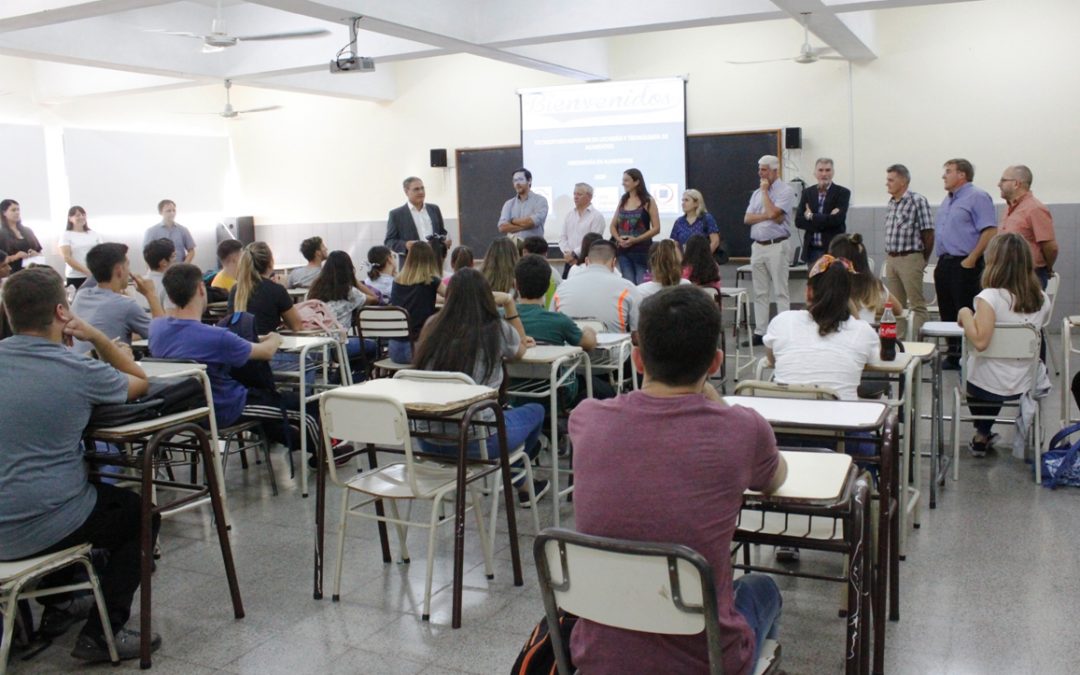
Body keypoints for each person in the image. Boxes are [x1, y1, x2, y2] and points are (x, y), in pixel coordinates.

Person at [569, 286, 786, 675]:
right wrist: (714, 397)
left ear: (637, 358)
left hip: (598, 658)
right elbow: (775, 478)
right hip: (706, 663)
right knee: (761, 589)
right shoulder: (744, 429)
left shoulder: (586, 418)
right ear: (716, 362)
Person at [0, 266, 160, 663]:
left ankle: (59, 603)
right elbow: (138, 379)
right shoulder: (76, 370)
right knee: (137, 514)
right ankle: (103, 633)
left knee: (75, 495)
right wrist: (96, 337)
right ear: (61, 311)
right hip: (40, 525)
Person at [150, 264, 327, 466]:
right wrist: (274, 337)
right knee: (306, 405)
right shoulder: (216, 337)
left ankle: (303, 445)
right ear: (201, 289)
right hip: (226, 407)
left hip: (185, 410)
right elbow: (266, 352)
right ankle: (325, 455)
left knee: (268, 413)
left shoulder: (156, 329)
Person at [413, 268, 547, 502]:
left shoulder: (431, 326)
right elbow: (520, 350)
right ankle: (519, 475)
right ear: (487, 296)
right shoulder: (496, 328)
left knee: (500, 418)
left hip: (427, 441)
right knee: (536, 411)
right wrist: (508, 303)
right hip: (478, 442)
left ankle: (521, 479)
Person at [957, 233, 1051, 457]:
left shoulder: (989, 297)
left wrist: (965, 314)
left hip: (986, 382)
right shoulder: (1041, 298)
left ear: (994, 262)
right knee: (992, 365)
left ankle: (982, 432)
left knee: (969, 362)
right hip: (1026, 381)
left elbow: (980, 341)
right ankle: (985, 432)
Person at [764, 254, 878, 401]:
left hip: (784, 421)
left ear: (809, 292)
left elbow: (772, 360)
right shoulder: (863, 332)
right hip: (841, 422)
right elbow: (872, 362)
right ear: (848, 296)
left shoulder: (782, 321)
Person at [515, 253, 612, 401]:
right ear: (548, 286)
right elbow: (589, 344)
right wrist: (588, 330)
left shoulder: (500, 317)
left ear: (515, 285)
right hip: (555, 392)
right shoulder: (558, 320)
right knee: (605, 390)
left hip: (510, 391)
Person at [934, 158, 997, 368]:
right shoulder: (948, 200)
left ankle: (968, 355)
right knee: (947, 310)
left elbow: (989, 230)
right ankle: (953, 355)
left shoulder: (977, 196)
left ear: (962, 175)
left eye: (948, 171)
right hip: (945, 263)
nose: (944, 175)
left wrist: (972, 258)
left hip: (965, 263)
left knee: (965, 309)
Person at [70, 243, 164, 355]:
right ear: (119, 270)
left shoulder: (81, 295)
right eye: (128, 265)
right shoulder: (126, 305)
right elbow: (163, 338)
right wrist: (151, 294)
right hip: (105, 370)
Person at [744, 155, 797, 346]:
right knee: (759, 292)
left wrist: (766, 193)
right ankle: (760, 331)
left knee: (780, 291)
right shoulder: (756, 193)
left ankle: (783, 332)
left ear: (775, 171)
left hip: (777, 245)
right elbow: (747, 219)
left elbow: (776, 215)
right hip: (758, 246)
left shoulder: (785, 191)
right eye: (759, 169)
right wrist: (766, 215)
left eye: (764, 169)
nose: (760, 173)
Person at [882, 163, 935, 340]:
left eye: (891, 180)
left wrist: (922, 259)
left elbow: (928, 232)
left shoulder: (917, 200)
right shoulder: (891, 203)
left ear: (903, 181)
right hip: (892, 259)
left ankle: (919, 344)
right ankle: (900, 344)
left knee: (916, 304)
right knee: (896, 305)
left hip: (910, 257)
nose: (887, 183)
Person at [553, 240, 641, 333]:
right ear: (614, 262)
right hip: (613, 346)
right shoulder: (627, 288)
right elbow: (637, 331)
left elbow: (552, 324)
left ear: (586, 261)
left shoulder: (562, 288)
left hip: (570, 346)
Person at [997, 165, 1057, 289]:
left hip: (1028, 276)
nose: (998, 184)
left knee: (1025, 309)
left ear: (1016, 184)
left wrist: (1047, 268)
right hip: (1006, 274)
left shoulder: (1035, 208)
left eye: (1003, 180)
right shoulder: (1009, 208)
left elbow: (1050, 247)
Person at [307, 251, 372, 365]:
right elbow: (375, 298)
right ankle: (349, 378)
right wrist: (355, 281)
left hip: (314, 346)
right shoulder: (349, 292)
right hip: (337, 346)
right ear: (349, 269)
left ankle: (341, 377)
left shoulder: (314, 289)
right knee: (372, 346)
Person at [388, 241, 443, 364]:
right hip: (417, 350)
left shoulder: (397, 281)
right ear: (430, 259)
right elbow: (453, 293)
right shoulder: (431, 280)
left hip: (394, 351)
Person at [829, 233, 901, 323]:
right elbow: (898, 310)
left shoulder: (830, 288)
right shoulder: (875, 286)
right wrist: (874, 306)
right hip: (867, 334)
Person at [795, 158, 851, 266]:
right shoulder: (807, 193)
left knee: (834, 283)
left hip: (834, 251)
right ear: (815, 173)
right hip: (812, 252)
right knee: (814, 283)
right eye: (820, 170)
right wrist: (827, 219)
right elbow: (798, 221)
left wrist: (811, 216)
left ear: (833, 172)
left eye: (827, 170)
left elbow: (837, 220)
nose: (824, 174)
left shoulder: (843, 193)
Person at [609, 168, 661, 284]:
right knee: (628, 283)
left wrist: (636, 240)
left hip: (642, 251)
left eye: (626, 180)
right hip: (623, 251)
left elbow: (657, 228)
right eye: (623, 180)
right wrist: (618, 239)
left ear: (637, 182)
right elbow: (612, 226)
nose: (623, 183)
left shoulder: (648, 201)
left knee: (641, 282)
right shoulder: (623, 199)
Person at [385, 176, 450, 254]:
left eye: (422, 188)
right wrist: (405, 245)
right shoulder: (396, 214)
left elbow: (442, 232)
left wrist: (444, 241)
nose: (421, 192)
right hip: (411, 261)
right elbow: (389, 241)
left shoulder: (434, 209)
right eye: (416, 189)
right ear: (406, 191)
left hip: (434, 259)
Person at [558, 182, 607, 278]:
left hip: (588, 262)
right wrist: (568, 253)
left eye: (579, 194)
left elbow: (593, 241)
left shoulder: (597, 216)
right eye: (574, 194)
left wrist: (574, 254)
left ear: (589, 197)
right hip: (569, 261)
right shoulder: (569, 215)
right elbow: (562, 237)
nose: (575, 197)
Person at [498, 168, 548, 240]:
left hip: (534, 247)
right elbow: (502, 227)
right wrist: (525, 226)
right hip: (513, 248)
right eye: (515, 180)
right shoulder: (508, 204)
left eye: (520, 179)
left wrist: (512, 221)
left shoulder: (540, 201)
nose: (517, 183)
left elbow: (531, 222)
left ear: (529, 180)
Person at [59, 205, 101, 289]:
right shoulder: (66, 235)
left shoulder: (93, 234)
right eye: (78, 215)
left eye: (83, 215)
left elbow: (101, 252)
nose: (81, 217)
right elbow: (67, 257)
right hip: (75, 276)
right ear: (70, 218)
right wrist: (86, 271)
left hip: (94, 274)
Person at [143, 199, 195, 263]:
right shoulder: (151, 232)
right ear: (161, 212)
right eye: (168, 211)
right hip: (161, 270)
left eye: (174, 210)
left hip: (180, 268)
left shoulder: (183, 230)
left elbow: (191, 251)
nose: (172, 213)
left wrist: (184, 265)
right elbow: (146, 254)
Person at [0, 198, 43, 273]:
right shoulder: (2, 234)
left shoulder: (28, 231)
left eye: (18, 210)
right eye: (13, 210)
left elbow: (40, 251)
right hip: (13, 273)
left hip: (33, 271)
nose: (17, 212)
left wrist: (36, 254)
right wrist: (15, 257)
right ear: (4, 213)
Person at [141, 237, 176, 311]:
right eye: (173, 257)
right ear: (163, 263)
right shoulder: (169, 286)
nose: (175, 260)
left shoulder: (140, 282)